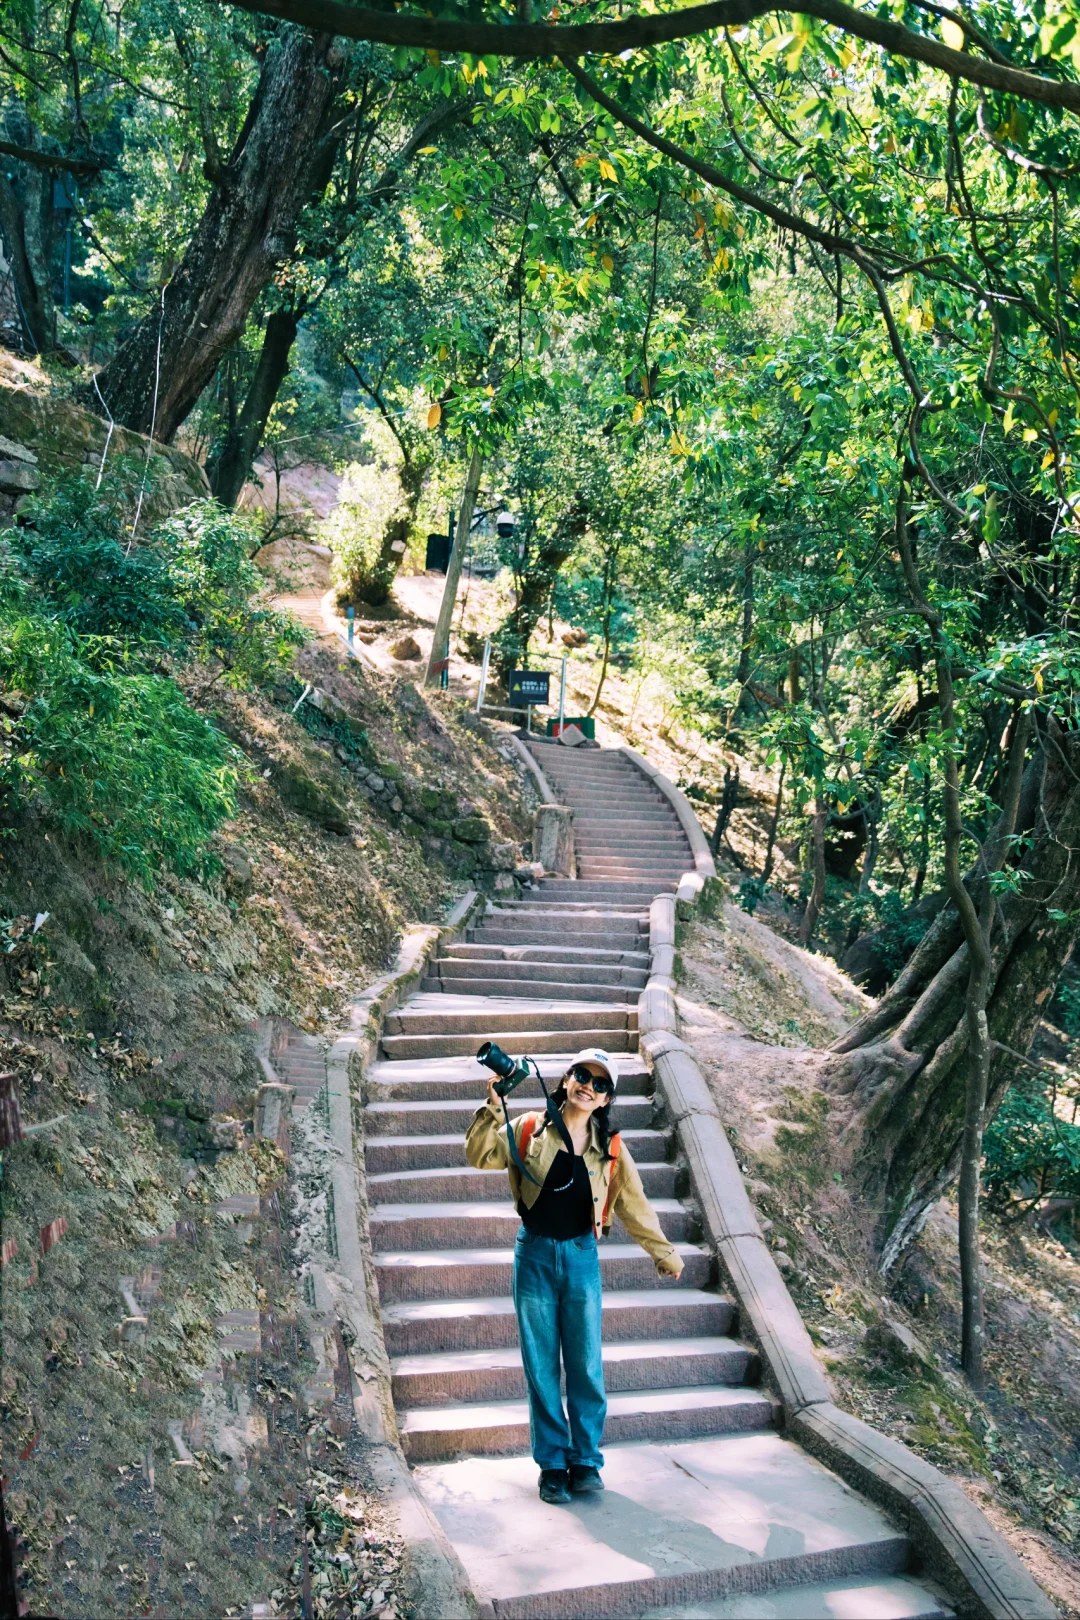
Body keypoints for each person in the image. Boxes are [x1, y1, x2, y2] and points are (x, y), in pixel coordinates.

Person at [465, 1047, 684, 1505]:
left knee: (585, 1364)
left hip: (582, 1256)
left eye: (601, 1084)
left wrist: (662, 1253)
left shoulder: (612, 1150)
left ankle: (585, 1460)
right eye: (583, 1076)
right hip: (535, 1255)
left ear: (606, 1100)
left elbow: (634, 1205)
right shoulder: (528, 1128)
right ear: (566, 1080)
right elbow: (480, 1155)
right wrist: (492, 1103)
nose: (590, 1086)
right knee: (541, 1366)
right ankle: (551, 1465)